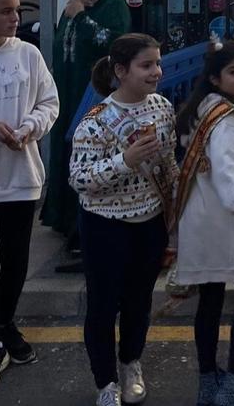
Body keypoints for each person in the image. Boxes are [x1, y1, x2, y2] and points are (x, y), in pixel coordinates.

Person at [69, 33, 177, 406]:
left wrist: (178, 202)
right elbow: (79, 179)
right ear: (120, 71)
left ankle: (131, 364)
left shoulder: (163, 107)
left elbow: (169, 163)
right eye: (146, 65)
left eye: (158, 63)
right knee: (102, 307)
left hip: (150, 222)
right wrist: (125, 161)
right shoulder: (96, 121)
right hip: (105, 226)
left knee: (138, 302)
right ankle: (106, 382)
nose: (156, 72)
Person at [174, 40, 234, 406]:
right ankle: (233, 381)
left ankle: (207, 380)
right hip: (226, 219)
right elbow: (230, 173)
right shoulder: (226, 119)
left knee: (211, 298)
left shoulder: (198, 109)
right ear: (216, 78)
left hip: (198, 218)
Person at [0, 0, 59, 395]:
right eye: (6, 11)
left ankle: (1, 325)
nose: (16, 18)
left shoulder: (28, 53)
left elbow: (49, 102)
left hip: (21, 177)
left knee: (15, 261)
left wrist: (29, 128)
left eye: (17, 11)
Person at [42, 0, 131, 260]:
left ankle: (82, 221)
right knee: (65, 148)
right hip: (67, 89)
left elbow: (115, 43)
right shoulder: (71, 8)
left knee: (88, 150)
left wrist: (82, 18)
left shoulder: (112, 4)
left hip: (93, 91)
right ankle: (62, 216)